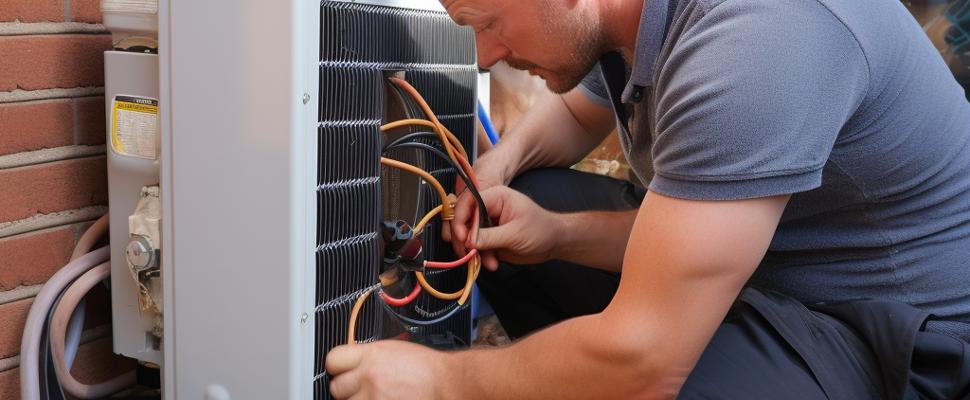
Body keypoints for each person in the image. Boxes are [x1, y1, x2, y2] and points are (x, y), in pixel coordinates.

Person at [326, 0, 970, 398]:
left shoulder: (758, 37)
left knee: (630, 377)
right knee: (526, 199)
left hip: (889, 334)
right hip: (767, 267)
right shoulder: (624, 19)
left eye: (486, 24)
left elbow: (644, 361)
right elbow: (676, 217)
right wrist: (534, 211)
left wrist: (444, 383)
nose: (487, 58)